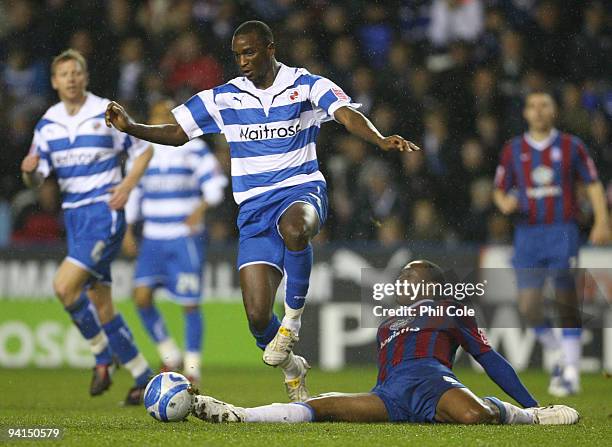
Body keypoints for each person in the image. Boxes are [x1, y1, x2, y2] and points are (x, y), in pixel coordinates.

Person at [105, 20, 420, 401]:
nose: (242, 61)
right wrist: (131, 127)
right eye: (237, 54)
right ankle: (292, 366)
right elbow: (176, 133)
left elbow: (345, 114)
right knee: (256, 316)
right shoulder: (223, 97)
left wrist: (380, 139)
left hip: (301, 189)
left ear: (270, 49)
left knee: (296, 228)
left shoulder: (305, 84)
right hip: (253, 211)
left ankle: (292, 322)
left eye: (249, 52)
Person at [187, 260, 580, 426]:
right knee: (321, 408)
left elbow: (489, 359)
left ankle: (531, 416)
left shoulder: (451, 308)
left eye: (411, 275)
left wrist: (531, 404)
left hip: (432, 381)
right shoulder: (387, 322)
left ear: (431, 283)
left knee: (474, 417)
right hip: (389, 393)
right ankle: (240, 414)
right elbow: (387, 371)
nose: (402, 281)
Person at [20, 49, 154, 405]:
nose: (71, 78)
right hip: (75, 220)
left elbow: (143, 149)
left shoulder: (105, 111)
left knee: (64, 286)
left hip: (104, 213)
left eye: (77, 72)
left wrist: (126, 186)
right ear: (54, 81)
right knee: (103, 306)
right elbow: (37, 179)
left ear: (85, 76)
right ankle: (143, 377)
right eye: (64, 74)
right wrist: (29, 170)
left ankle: (101, 356)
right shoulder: (47, 124)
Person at [493, 91, 610, 396]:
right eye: (532, 106)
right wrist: (504, 201)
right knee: (528, 305)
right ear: (526, 114)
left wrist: (601, 220)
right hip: (527, 234)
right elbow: (499, 189)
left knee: (565, 297)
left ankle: (570, 371)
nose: (539, 111)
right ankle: (558, 352)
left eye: (545, 104)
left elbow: (593, 183)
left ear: (554, 111)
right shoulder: (513, 149)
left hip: (562, 230)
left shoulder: (572, 146)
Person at [123, 99, 228, 386]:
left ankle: (192, 368)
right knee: (141, 297)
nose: (163, 118)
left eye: (168, 114)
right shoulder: (142, 152)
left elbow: (216, 184)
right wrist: (128, 230)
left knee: (190, 304)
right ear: (151, 118)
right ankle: (170, 355)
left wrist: (200, 209)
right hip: (153, 237)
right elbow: (133, 193)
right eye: (158, 113)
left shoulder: (192, 148)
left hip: (184, 239)